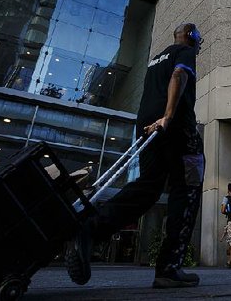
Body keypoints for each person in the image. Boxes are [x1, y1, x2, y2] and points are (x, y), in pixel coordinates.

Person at [65, 23, 206, 289]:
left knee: (147, 188)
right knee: (187, 191)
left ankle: (92, 228)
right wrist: (170, 116)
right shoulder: (184, 52)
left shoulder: (155, 60)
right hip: (177, 130)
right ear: (191, 36)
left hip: (147, 127)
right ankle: (169, 268)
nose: (199, 44)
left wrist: (158, 120)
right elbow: (178, 77)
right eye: (198, 39)